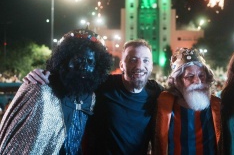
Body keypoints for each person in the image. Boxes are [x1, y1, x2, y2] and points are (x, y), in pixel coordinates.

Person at [23, 39, 164, 154]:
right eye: (133, 59)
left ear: (151, 66)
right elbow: (72, 79)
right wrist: (42, 76)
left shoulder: (157, 92)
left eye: (146, 60)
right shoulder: (103, 85)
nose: (140, 65)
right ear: (122, 65)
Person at [0, 29, 113, 154]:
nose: (84, 66)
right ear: (63, 60)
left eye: (90, 62)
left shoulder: (90, 96)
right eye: (78, 60)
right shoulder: (41, 90)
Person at [154, 48, 221, 154]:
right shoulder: (164, 104)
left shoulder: (217, 105)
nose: (197, 80)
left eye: (201, 75)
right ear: (178, 81)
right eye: (190, 76)